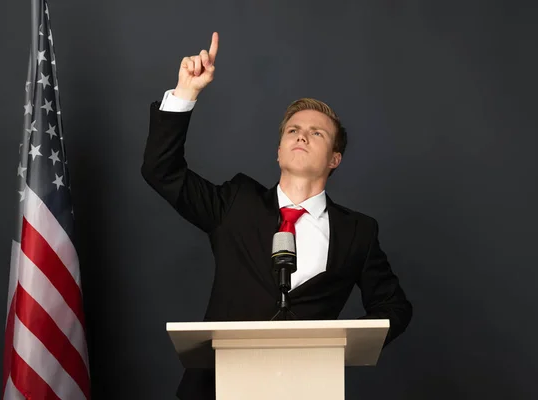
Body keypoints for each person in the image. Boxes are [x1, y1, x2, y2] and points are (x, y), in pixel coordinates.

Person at [141, 32, 412, 400]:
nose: (302, 137)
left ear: (335, 159)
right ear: (279, 150)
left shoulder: (358, 232)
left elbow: (394, 306)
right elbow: (162, 171)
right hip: (215, 390)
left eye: (316, 133)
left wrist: (339, 343)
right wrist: (186, 92)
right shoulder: (236, 202)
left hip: (307, 389)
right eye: (293, 131)